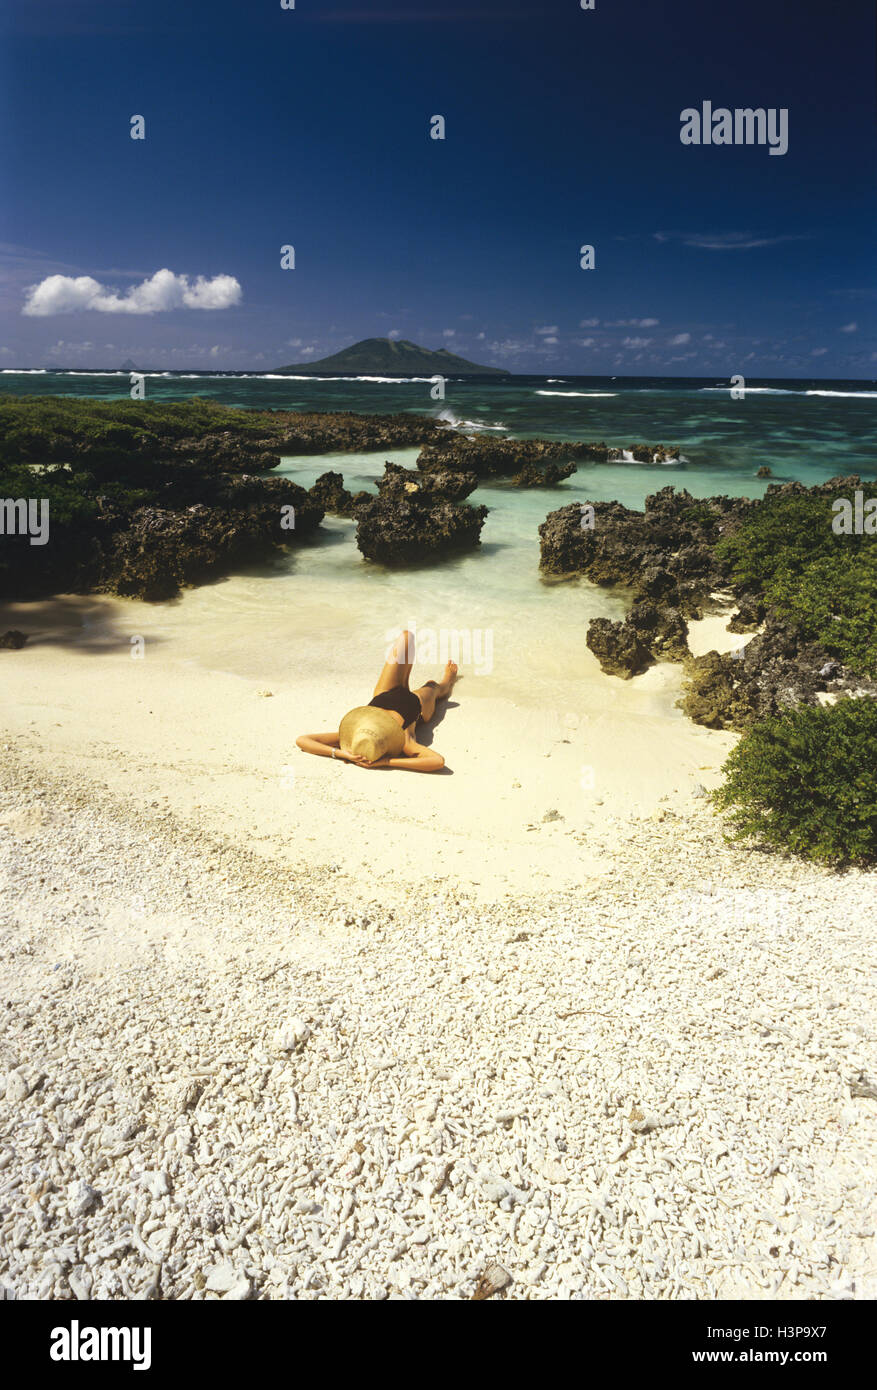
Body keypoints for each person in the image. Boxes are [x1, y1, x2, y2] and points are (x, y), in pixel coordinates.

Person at [296, 629, 457, 772]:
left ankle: (436, 683)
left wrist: (339, 753)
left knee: (406, 637)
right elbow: (437, 761)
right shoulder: (404, 742)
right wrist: (387, 762)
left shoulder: (356, 734)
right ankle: (447, 681)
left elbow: (303, 740)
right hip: (417, 703)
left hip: (385, 692)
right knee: (434, 687)